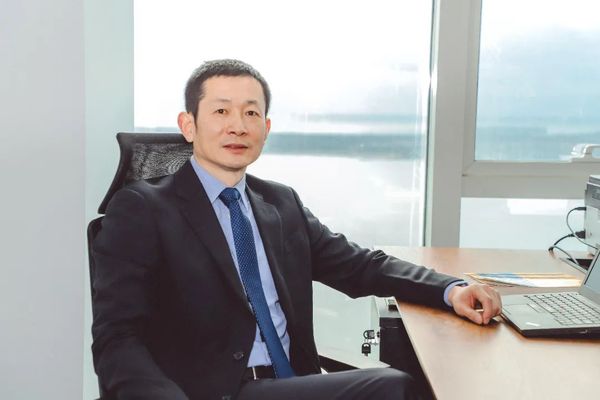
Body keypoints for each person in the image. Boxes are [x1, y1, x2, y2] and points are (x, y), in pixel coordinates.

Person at [91, 59, 502, 400]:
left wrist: (451, 289)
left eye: (251, 113)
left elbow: (360, 266)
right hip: (213, 390)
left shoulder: (279, 203)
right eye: (221, 111)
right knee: (395, 388)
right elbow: (117, 337)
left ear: (266, 129)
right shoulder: (143, 209)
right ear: (188, 124)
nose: (238, 126)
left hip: (293, 383)